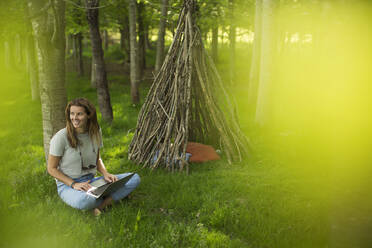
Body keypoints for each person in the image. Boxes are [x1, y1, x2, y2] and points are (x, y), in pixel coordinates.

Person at [47, 98, 140, 216]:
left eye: (79, 114)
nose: (74, 118)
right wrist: (73, 184)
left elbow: (97, 159)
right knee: (86, 201)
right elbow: (51, 169)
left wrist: (105, 174)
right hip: (68, 186)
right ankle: (111, 197)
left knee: (134, 178)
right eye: (72, 113)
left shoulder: (96, 132)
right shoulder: (61, 137)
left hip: (92, 182)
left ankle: (101, 205)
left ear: (89, 115)